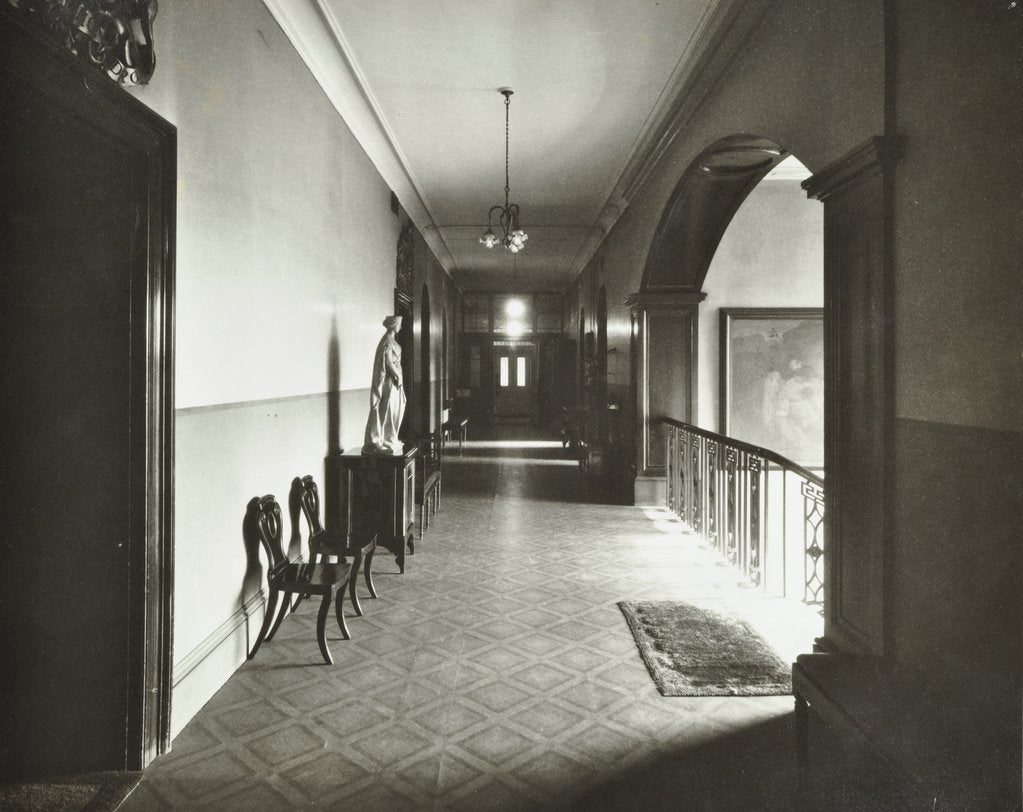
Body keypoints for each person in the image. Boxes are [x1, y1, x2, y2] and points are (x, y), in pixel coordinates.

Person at [362, 315, 407, 454]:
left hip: (395, 381)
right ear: (394, 325)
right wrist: (396, 374)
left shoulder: (391, 340)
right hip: (389, 381)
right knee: (388, 409)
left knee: (397, 409)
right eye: (399, 324)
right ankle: (382, 440)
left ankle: (391, 437)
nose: (401, 327)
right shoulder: (387, 341)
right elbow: (387, 362)